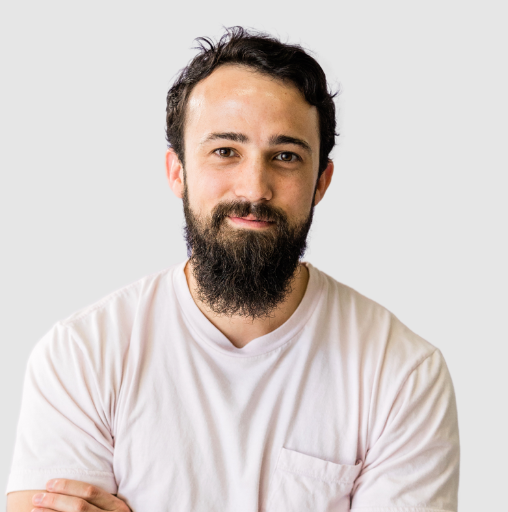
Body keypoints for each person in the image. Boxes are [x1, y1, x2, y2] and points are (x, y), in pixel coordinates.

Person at [6, 27, 459, 512]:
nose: (254, 188)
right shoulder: (83, 355)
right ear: (178, 171)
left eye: (285, 156)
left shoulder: (402, 375)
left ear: (321, 182)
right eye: (225, 151)